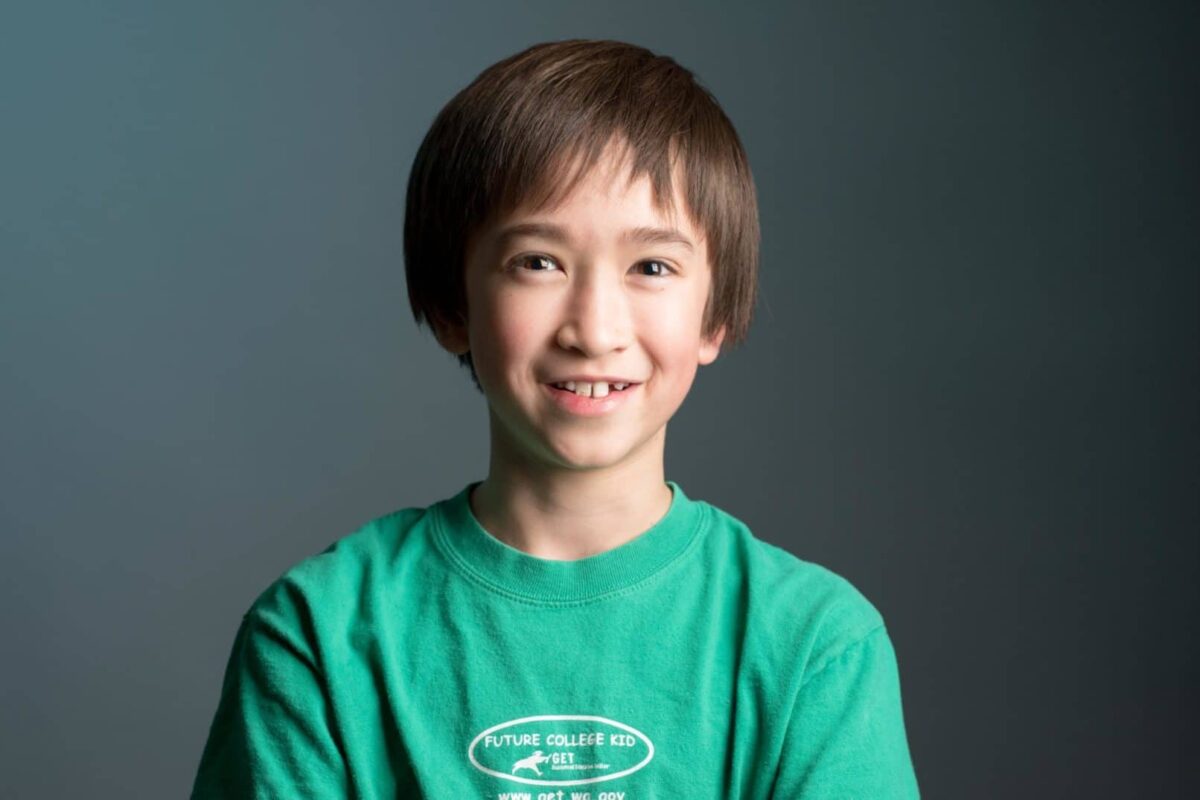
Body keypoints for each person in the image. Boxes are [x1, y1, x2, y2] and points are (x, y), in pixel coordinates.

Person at [190, 39, 920, 798]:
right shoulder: (318, 632)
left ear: (715, 317)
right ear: (452, 306)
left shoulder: (813, 644)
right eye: (538, 261)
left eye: (652, 267)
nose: (594, 329)